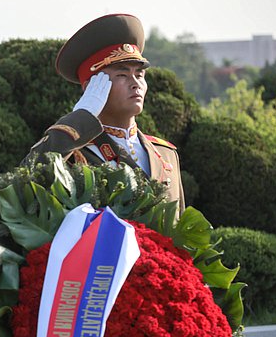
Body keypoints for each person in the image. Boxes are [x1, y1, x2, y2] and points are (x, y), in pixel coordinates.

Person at [23, 13, 185, 210]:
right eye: (122, 74)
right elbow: (26, 184)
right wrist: (81, 117)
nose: (136, 84)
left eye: (140, 75)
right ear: (93, 87)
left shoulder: (165, 154)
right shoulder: (71, 151)